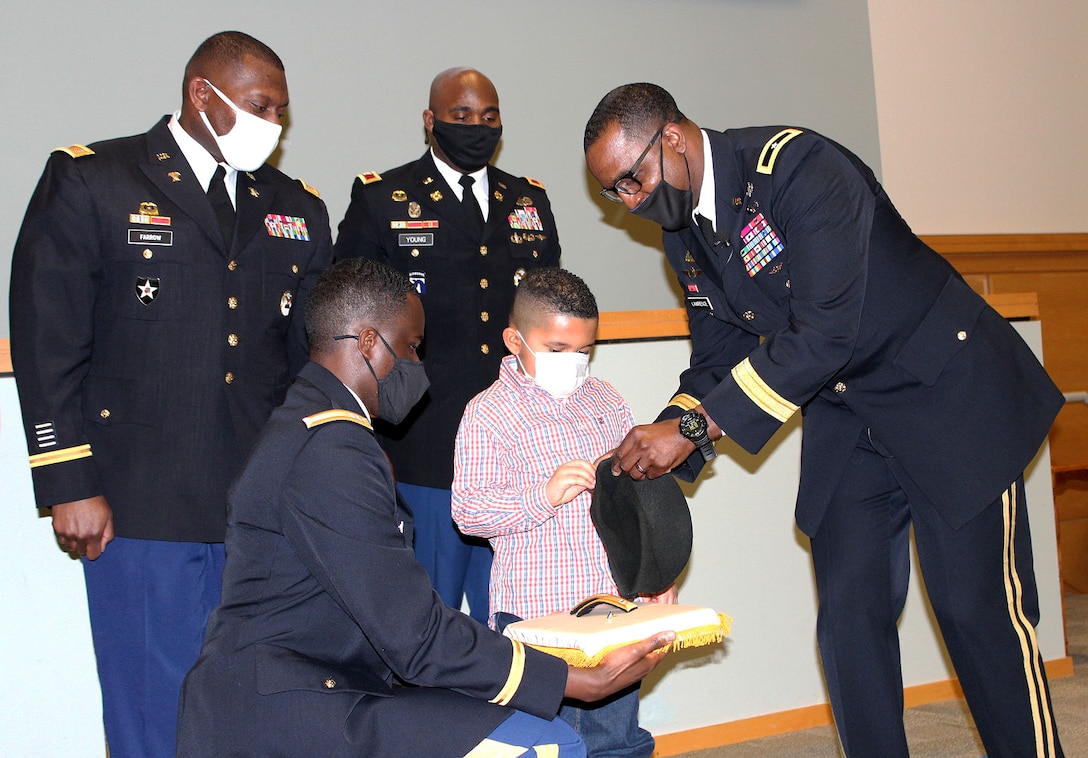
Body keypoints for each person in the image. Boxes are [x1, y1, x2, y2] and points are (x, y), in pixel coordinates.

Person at [582, 83, 1065, 758]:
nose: (629, 203)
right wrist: (666, 442)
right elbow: (720, 356)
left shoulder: (801, 169)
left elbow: (824, 334)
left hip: (943, 393)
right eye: (614, 193)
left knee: (976, 613)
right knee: (848, 616)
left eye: (632, 180)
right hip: (847, 412)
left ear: (672, 138)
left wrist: (693, 432)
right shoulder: (683, 233)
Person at [176, 257, 673, 757]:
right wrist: (570, 680)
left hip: (333, 678)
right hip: (291, 705)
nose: (418, 367)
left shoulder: (319, 426)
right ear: (369, 342)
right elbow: (414, 633)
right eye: (412, 347)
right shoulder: (329, 450)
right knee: (543, 745)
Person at [8, 31, 332, 758]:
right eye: (259, 105)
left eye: (281, 109)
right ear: (201, 94)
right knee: (155, 714)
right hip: (139, 505)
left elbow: (307, 367)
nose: (273, 123)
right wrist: (67, 480)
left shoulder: (295, 209)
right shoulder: (97, 180)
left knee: (254, 710)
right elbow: (48, 339)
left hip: (258, 512)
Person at [334, 67, 561, 624]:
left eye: (489, 117)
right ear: (431, 121)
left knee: (517, 621)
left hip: (517, 452)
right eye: (462, 116)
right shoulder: (383, 198)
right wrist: (366, 437)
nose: (477, 127)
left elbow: (548, 322)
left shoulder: (528, 201)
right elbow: (349, 329)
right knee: (425, 621)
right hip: (424, 448)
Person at [452, 267, 673, 757]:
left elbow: (638, 500)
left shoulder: (606, 400)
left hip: (608, 606)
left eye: (583, 351)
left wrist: (656, 575)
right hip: (536, 615)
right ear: (515, 340)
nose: (572, 362)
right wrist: (543, 496)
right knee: (547, 743)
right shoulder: (488, 413)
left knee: (615, 738)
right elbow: (468, 512)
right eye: (556, 351)